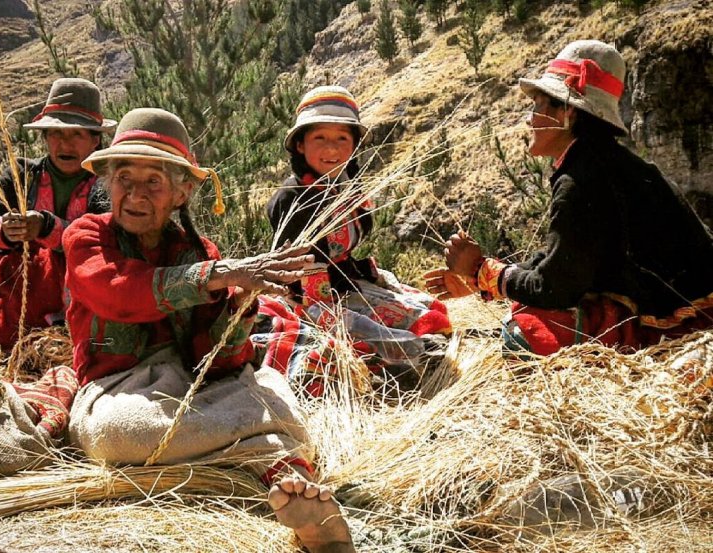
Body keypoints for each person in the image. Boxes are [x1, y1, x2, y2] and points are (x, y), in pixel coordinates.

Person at [63, 107, 355, 552]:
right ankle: (260, 450)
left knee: (273, 387)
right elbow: (120, 294)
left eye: (154, 182)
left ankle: (300, 499)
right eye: (124, 178)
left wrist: (237, 313)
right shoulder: (86, 237)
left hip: (194, 391)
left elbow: (216, 362)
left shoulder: (197, 252)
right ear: (107, 182)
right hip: (116, 389)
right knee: (119, 432)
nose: (136, 194)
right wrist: (217, 276)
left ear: (180, 194)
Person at [424, 40, 713, 356]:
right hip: (680, 302)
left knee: (527, 334)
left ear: (567, 113)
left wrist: (481, 269)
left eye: (538, 105)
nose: (530, 118)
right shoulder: (602, 161)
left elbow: (555, 288)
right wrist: (480, 280)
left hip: (682, 324)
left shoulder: (582, 179)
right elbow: (564, 259)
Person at [260, 86, 451, 391]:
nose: (331, 149)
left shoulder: (345, 190)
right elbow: (306, 275)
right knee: (395, 339)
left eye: (342, 139)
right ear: (300, 144)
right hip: (311, 295)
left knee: (429, 313)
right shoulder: (293, 198)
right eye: (319, 138)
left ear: (354, 145)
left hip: (345, 281)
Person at [0, 77, 116, 351]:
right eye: (56, 133)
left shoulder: (108, 182)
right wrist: (3, 228)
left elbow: (107, 236)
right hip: (18, 286)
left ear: (96, 140)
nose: (65, 144)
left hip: (78, 289)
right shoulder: (23, 174)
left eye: (77, 134)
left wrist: (47, 227)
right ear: (45, 137)